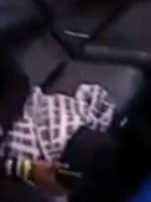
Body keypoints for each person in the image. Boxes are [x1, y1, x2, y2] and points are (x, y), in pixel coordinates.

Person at [0, 47, 122, 202]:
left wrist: (2, 123)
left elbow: (17, 83)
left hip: (19, 116)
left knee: (95, 151)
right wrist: (24, 169)